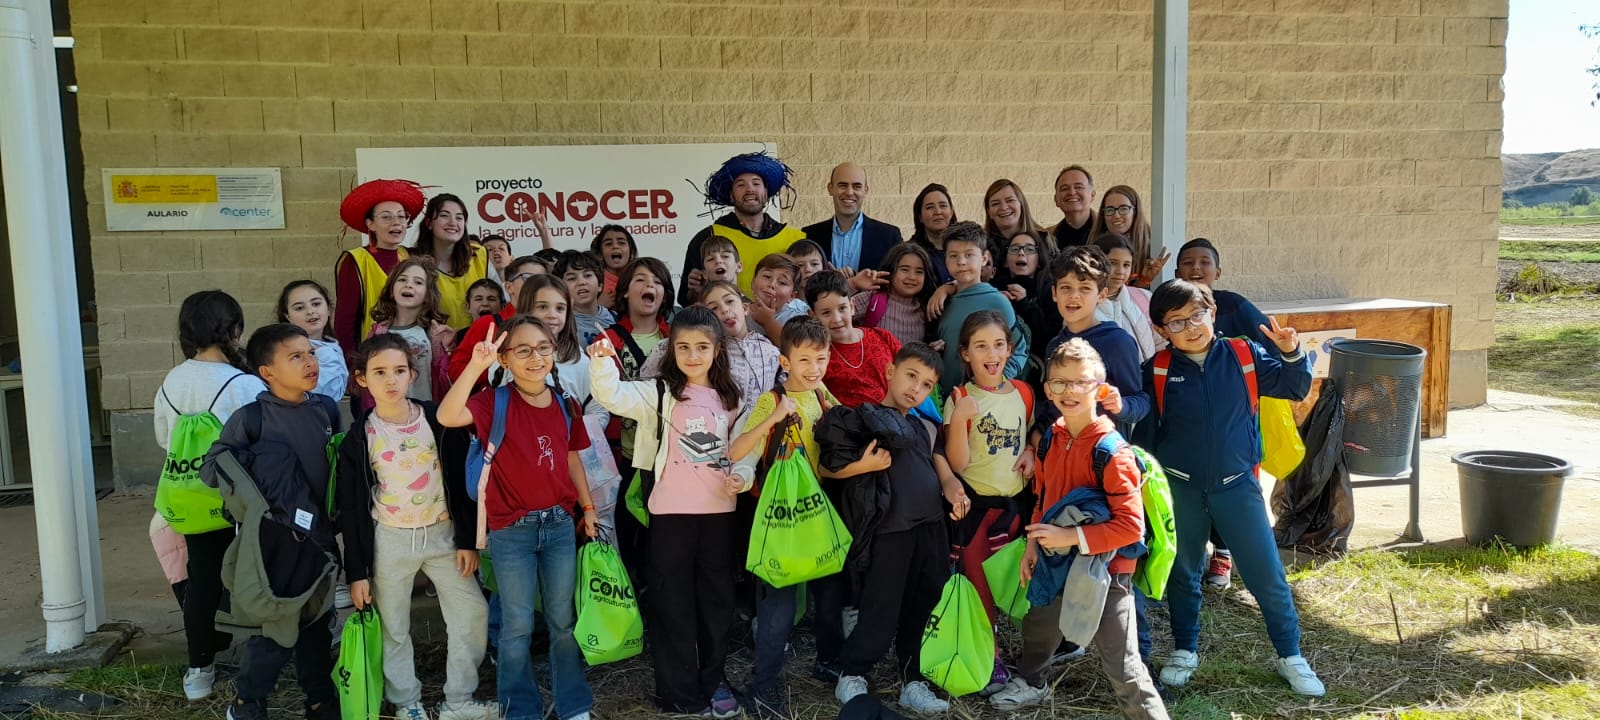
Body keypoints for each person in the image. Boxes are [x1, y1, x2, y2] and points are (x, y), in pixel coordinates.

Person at [1135, 279, 1325, 698]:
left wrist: (1292, 352)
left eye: (1197, 315)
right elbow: (1146, 438)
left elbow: (1294, 386)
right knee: (1182, 574)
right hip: (1180, 489)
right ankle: (1185, 648)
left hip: (1237, 487)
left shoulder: (1244, 355)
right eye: (1177, 321)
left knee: (1266, 574)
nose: (1190, 327)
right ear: (1163, 330)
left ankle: (1290, 654)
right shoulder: (1159, 369)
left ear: (1213, 314)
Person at [988, 339, 1169, 719]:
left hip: (1103, 571)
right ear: (1047, 388)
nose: (1069, 391)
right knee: (1039, 626)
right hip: (1054, 559)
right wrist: (1033, 545)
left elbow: (1131, 528)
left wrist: (1071, 537)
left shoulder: (1112, 452)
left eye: (1080, 383)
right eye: (1059, 382)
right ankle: (1032, 681)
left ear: (1100, 390)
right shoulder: (1052, 435)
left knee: (1123, 665)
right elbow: (1044, 495)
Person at [438, 317, 601, 720]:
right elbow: (447, 415)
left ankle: (573, 704)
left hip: (560, 527)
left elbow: (572, 457)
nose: (535, 357)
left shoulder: (565, 402)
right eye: (522, 350)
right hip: (512, 530)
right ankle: (520, 708)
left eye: (543, 348)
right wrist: (477, 364)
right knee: (517, 626)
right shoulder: (494, 401)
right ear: (506, 359)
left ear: (554, 351)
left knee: (564, 621)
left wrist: (588, 507)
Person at [588, 307, 747, 717]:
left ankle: (713, 681)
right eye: (683, 347)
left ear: (717, 350)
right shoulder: (657, 393)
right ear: (671, 349)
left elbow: (744, 448)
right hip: (670, 517)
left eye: (702, 347)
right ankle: (679, 692)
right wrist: (603, 363)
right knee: (672, 603)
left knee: (716, 603)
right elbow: (613, 396)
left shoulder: (732, 397)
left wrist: (742, 477)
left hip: (719, 517)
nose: (692, 355)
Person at [334, 334, 496, 720]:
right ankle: (407, 701)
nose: (390, 380)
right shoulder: (359, 437)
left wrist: (467, 540)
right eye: (379, 372)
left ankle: (459, 699)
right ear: (361, 379)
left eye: (399, 371)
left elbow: (459, 483)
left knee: (472, 612)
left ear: (412, 374)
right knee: (393, 625)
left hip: (441, 535)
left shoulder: (437, 419)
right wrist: (356, 572)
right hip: (389, 540)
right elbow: (353, 508)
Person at [200, 323, 343, 720]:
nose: (309, 363)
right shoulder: (251, 419)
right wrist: (261, 491)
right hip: (274, 544)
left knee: (317, 626)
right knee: (272, 631)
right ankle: (248, 702)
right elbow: (214, 467)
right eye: (295, 357)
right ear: (267, 372)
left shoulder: (327, 409)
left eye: (310, 353)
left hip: (321, 541)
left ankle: (320, 701)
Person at [826, 343, 964, 717]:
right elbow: (829, 467)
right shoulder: (864, 419)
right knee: (881, 608)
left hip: (931, 528)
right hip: (890, 531)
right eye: (910, 376)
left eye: (925, 384)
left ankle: (913, 678)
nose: (915, 388)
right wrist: (862, 465)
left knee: (925, 602)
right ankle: (852, 672)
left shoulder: (923, 427)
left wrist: (952, 490)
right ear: (890, 372)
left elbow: (938, 468)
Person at [727, 317, 848, 719]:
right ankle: (763, 686)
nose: (814, 368)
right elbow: (738, 448)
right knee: (777, 606)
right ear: (784, 360)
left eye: (822, 358)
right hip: (781, 521)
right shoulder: (770, 400)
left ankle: (829, 661)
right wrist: (775, 417)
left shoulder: (822, 392)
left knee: (829, 597)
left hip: (818, 514)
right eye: (805, 360)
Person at [154, 290, 268, 703]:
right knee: (255, 577)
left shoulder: (172, 379)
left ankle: (199, 667)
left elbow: (164, 440)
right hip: (238, 502)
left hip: (191, 501)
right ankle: (263, 660)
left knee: (202, 580)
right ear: (235, 330)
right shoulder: (246, 384)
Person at [942, 310, 1036, 696]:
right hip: (977, 513)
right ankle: (990, 656)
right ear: (965, 354)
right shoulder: (960, 398)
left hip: (1015, 507)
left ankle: (1023, 647)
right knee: (979, 585)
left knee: (1012, 583)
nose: (991, 353)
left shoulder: (1023, 392)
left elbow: (1029, 433)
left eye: (998, 345)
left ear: (1009, 349)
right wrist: (962, 417)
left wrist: (1031, 448)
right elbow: (958, 463)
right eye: (980, 346)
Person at [678, 150, 808, 305]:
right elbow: (686, 300)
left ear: (766, 193)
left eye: (756, 183)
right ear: (732, 195)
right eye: (741, 185)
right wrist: (695, 292)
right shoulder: (708, 238)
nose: (749, 189)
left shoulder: (796, 239)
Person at [650, 279, 782, 415]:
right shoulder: (706, 351)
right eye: (714, 308)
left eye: (730, 301)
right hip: (716, 428)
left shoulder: (770, 350)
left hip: (762, 430)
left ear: (745, 308)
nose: (724, 309)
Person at [933, 222, 1029, 394]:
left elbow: (1019, 350)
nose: (961, 262)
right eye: (953, 256)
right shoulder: (942, 300)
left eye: (969, 255)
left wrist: (994, 383)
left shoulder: (997, 302)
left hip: (985, 404)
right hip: (945, 401)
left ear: (984, 259)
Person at [334, 178, 424, 362]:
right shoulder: (356, 260)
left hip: (411, 351)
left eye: (401, 216)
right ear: (370, 224)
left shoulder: (409, 257)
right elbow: (345, 321)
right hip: (373, 354)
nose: (396, 222)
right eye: (386, 217)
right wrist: (352, 364)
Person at [447, 255, 545, 390]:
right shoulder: (487, 323)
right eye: (528, 278)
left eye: (541, 279)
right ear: (509, 287)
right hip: (498, 404)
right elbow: (454, 371)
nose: (536, 284)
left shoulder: (552, 322)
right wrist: (496, 370)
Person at [366, 258, 455, 404]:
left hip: (425, 415)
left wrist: (448, 349)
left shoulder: (433, 333)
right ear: (391, 290)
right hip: (387, 416)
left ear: (427, 294)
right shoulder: (378, 333)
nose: (408, 285)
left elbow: (447, 379)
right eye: (402, 280)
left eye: (418, 282)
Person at [808, 271, 900, 408]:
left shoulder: (882, 336)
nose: (837, 319)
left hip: (898, 420)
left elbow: (908, 375)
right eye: (826, 313)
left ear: (852, 306)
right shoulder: (817, 357)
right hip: (851, 426)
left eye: (842, 308)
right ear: (813, 316)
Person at [803, 162, 904, 275]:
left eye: (857, 186)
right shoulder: (809, 235)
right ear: (830, 189)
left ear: (865, 190)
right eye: (842, 185)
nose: (849, 192)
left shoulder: (889, 236)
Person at [410, 193, 489, 329]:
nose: (453, 222)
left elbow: (499, 299)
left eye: (459, 217)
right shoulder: (412, 260)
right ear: (429, 223)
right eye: (444, 215)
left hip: (476, 342)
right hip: (432, 344)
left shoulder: (479, 255)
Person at [852, 242, 935, 347]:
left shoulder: (928, 307)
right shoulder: (872, 300)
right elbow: (829, 312)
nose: (912, 277)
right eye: (904, 270)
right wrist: (852, 284)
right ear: (891, 271)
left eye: (919, 272)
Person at [277, 279, 348, 402]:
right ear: (288, 316)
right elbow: (320, 395)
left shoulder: (332, 345)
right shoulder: (285, 352)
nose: (310, 311)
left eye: (316, 304)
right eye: (299, 308)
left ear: (329, 308)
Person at [1093, 234, 1158, 362]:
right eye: (1112, 263)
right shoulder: (1085, 305)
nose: (1120, 271)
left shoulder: (1144, 298)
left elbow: (1161, 342)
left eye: (1126, 265)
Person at [1092, 185, 1169, 288]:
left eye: (1124, 209)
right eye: (1110, 210)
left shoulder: (1152, 247)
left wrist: (1144, 280)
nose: (1116, 215)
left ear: (1135, 212)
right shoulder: (1094, 246)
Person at [992, 230, 1055, 353]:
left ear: (1039, 261)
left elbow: (1048, 338)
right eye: (1014, 249)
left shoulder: (1050, 290)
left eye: (1030, 249)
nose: (1021, 253)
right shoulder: (993, 288)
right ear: (1005, 261)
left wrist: (1025, 305)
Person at [556, 250, 616, 347]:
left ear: (600, 285)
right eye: (572, 278)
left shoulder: (616, 318)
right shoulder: (560, 325)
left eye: (587, 275)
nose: (581, 282)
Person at [981, 179, 1048, 264]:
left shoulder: (1044, 241)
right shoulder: (982, 246)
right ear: (989, 212)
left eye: (1010, 200)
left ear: (1021, 204)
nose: (1003, 207)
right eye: (995, 203)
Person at [750, 253, 809, 340]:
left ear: (792, 296)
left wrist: (768, 322)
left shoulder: (797, 318)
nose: (772, 284)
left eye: (782, 282)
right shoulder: (739, 311)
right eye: (767, 276)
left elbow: (795, 349)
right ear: (753, 283)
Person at [907, 183, 957, 285]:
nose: (938, 211)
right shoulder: (910, 252)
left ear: (951, 212)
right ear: (920, 216)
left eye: (943, 206)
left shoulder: (966, 246)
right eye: (930, 207)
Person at [1048, 165, 1098, 249]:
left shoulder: (1108, 232)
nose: (1072, 192)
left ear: (1092, 195)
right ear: (1056, 199)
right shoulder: (1046, 239)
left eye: (1079, 187)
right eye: (1064, 188)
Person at [590, 224, 638, 307]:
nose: (615, 246)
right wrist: (599, 307)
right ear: (600, 255)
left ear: (632, 253)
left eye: (621, 243)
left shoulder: (639, 279)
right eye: (608, 244)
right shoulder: (593, 282)